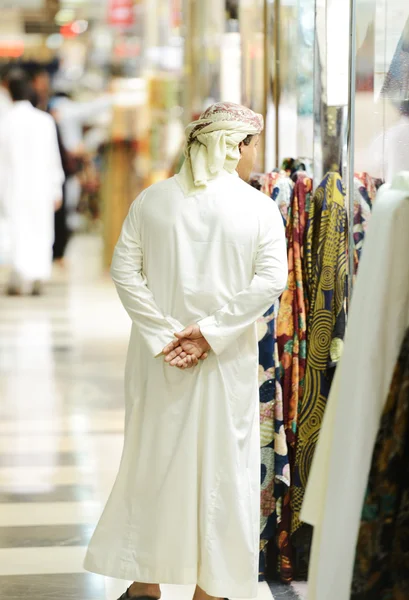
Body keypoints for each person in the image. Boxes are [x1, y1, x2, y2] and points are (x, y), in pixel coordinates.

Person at [84, 102, 288, 600]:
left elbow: (124, 271)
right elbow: (272, 280)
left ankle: (144, 585)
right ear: (232, 146)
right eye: (250, 142)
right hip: (225, 361)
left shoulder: (152, 201)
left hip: (159, 362)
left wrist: (165, 334)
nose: (252, 151)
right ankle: (209, 588)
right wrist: (211, 334)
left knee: (152, 462)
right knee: (222, 466)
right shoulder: (258, 208)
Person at [0, 68, 64, 295]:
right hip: (41, 187)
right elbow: (54, 159)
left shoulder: (5, 122)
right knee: (40, 229)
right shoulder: (44, 120)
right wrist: (57, 188)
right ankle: (38, 276)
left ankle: (19, 278)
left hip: (13, 187)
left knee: (18, 231)